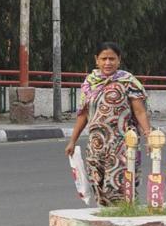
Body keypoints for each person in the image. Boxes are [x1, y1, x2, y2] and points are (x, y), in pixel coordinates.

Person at [64, 42, 151, 206]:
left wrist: (148, 135)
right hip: (96, 144)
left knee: (120, 187)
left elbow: (139, 112)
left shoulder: (128, 81)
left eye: (112, 59)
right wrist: (72, 141)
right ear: (96, 60)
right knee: (99, 186)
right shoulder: (90, 83)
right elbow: (83, 114)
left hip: (123, 144)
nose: (108, 63)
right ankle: (108, 224)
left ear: (119, 60)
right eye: (104, 59)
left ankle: (126, 220)